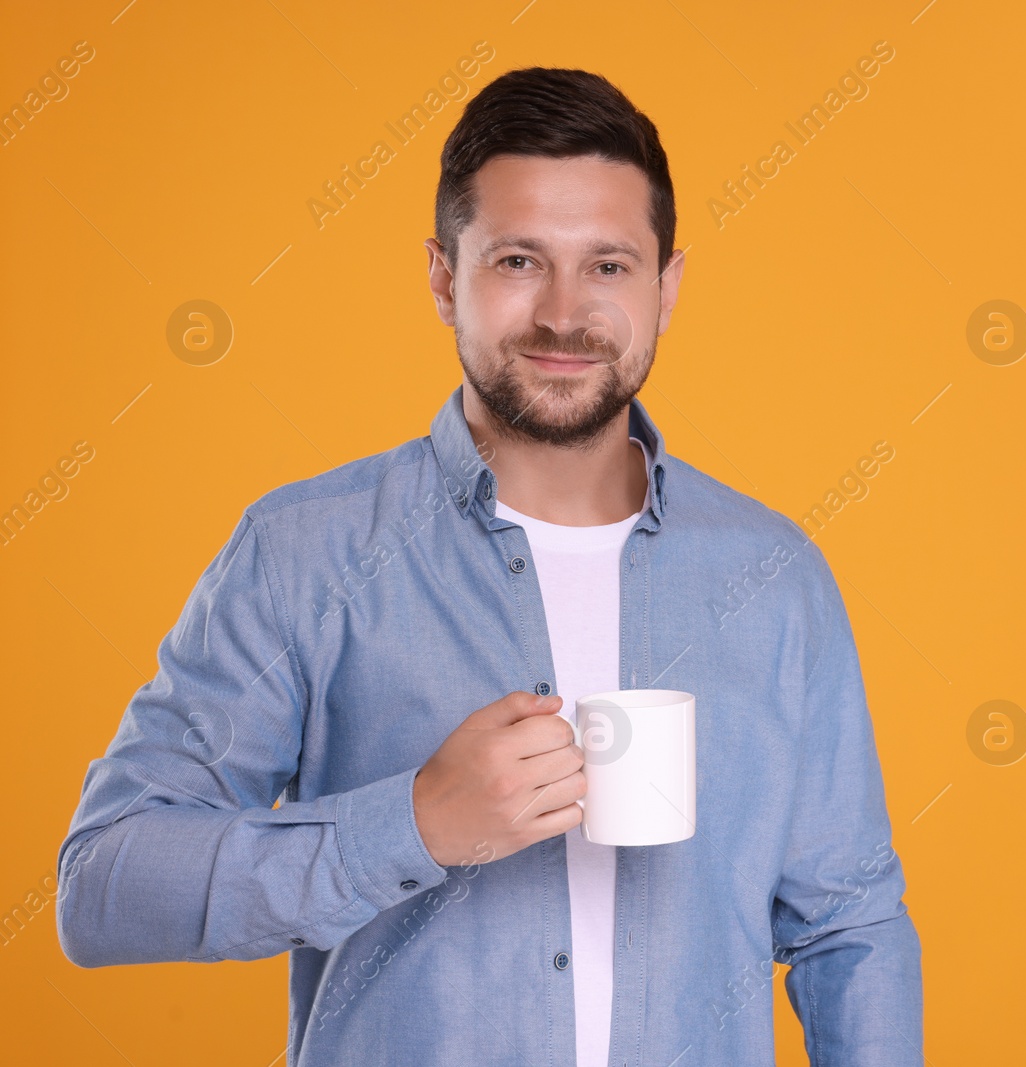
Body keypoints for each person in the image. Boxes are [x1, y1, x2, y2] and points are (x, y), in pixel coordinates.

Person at [54, 66, 922, 1066]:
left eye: (608, 266)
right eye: (518, 260)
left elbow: (848, 924)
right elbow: (103, 887)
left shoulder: (775, 576)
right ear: (440, 276)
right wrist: (411, 823)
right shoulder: (303, 553)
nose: (564, 313)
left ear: (665, 287)